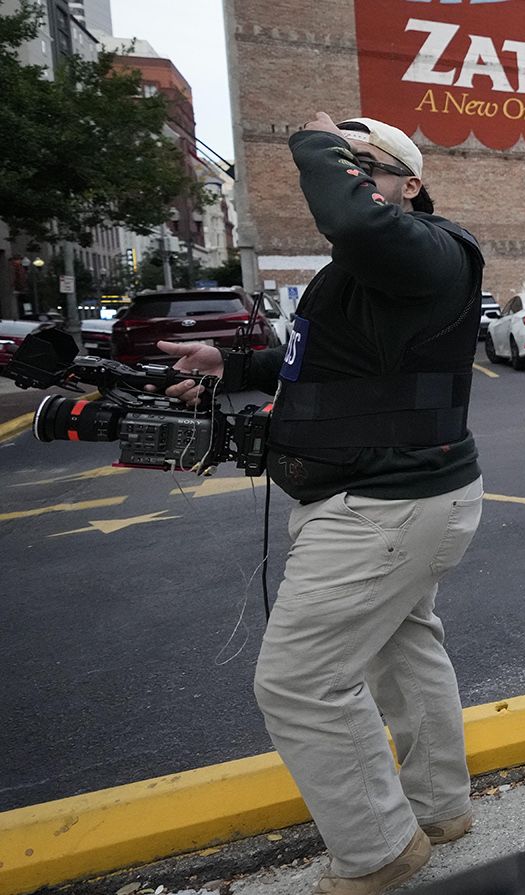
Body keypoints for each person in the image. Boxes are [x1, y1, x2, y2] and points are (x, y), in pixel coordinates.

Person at [160, 113, 486, 895]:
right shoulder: (372, 273)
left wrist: (315, 142)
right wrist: (233, 363)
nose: (349, 173)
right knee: (402, 650)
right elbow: (321, 360)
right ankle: (439, 808)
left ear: (410, 185)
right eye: (344, 161)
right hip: (388, 497)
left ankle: (378, 850)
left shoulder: (434, 249)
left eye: (364, 164)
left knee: (299, 680)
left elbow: (347, 214)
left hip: (383, 505)